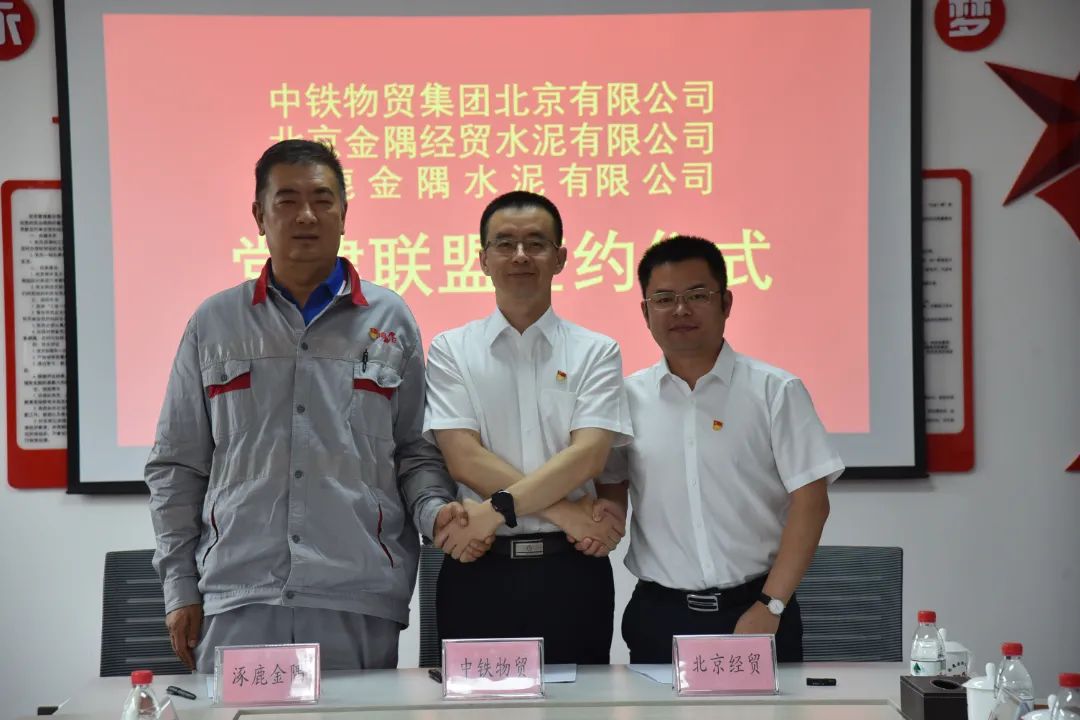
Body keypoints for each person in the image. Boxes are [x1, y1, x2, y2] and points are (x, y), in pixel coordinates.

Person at [145, 139, 470, 673]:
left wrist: (436, 510)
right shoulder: (215, 323)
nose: (306, 216)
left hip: (357, 593)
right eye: (288, 200)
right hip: (239, 591)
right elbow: (177, 467)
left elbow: (415, 452)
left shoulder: (390, 320)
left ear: (344, 213)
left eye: (322, 200)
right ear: (259, 215)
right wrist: (180, 585)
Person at [601, 235, 843, 663]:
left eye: (697, 295)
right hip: (659, 614)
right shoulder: (626, 400)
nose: (681, 310)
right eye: (664, 299)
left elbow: (812, 503)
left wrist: (771, 605)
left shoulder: (775, 391)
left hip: (756, 608)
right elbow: (612, 487)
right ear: (645, 312)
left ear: (726, 303)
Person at [423, 191, 633, 664]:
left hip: (572, 573)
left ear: (560, 258)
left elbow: (588, 456)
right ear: (483, 260)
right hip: (478, 566)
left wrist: (495, 509)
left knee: (581, 700)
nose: (520, 256)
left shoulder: (596, 351)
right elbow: (463, 458)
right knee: (475, 701)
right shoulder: (451, 349)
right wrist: (567, 513)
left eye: (536, 244)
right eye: (504, 244)